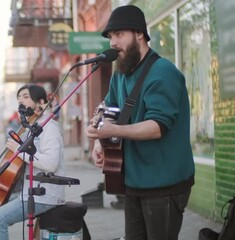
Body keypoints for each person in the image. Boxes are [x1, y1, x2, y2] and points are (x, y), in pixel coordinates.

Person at [86, 5, 195, 240]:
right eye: (110, 37)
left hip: (164, 183)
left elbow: (157, 127)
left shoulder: (163, 73)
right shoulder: (120, 73)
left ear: (139, 34)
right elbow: (109, 109)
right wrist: (99, 140)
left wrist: (114, 130)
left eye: (119, 34)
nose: (113, 42)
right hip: (133, 181)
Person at [0, 84, 65, 240]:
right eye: (18, 99)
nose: (21, 102)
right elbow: (15, 162)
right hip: (29, 192)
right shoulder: (31, 129)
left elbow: (51, 164)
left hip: (45, 196)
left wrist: (20, 150)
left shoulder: (49, 128)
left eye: (25, 97)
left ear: (41, 103)